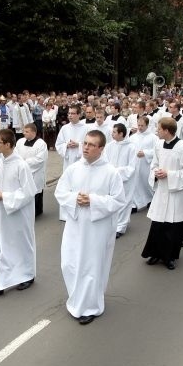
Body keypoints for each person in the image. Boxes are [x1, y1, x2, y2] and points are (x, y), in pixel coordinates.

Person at [55, 130, 126, 325]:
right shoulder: (73, 168)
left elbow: (119, 200)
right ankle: (77, 298)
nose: (85, 147)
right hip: (75, 225)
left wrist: (93, 201)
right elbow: (61, 192)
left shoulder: (111, 172)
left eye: (91, 145)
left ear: (101, 149)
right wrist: (74, 198)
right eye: (85, 143)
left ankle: (91, 306)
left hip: (97, 229)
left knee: (91, 266)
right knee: (69, 263)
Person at [0, 129, 37, 298]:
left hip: (19, 212)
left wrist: (5, 196)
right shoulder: (0, 163)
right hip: (3, 211)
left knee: (21, 243)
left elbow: (28, 191)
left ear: (8, 145)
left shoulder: (21, 165)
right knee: (1, 244)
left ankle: (27, 274)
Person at [140, 117, 183, 270]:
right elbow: (154, 164)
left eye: (158, 129)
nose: (156, 131)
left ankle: (169, 256)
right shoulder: (158, 144)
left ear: (166, 130)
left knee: (173, 226)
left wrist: (169, 174)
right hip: (162, 190)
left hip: (176, 192)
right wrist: (155, 173)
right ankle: (155, 253)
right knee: (158, 224)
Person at [102, 123, 137, 237]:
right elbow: (105, 161)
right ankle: (112, 224)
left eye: (114, 132)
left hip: (125, 180)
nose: (112, 134)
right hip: (111, 178)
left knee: (124, 202)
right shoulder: (109, 146)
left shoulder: (131, 147)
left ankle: (120, 227)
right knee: (112, 201)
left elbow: (132, 166)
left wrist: (117, 171)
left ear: (121, 134)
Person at [16, 123, 48, 217]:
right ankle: (25, 211)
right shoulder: (20, 141)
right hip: (22, 171)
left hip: (36, 172)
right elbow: (16, 154)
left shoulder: (41, 144)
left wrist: (25, 163)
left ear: (34, 132)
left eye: (27, 131)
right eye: (24, 131)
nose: (24, 133)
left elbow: (40, 159)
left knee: (36, 192)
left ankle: (37, 211)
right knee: (25, 191)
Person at [129, 115, 158, 212]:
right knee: (135, 184)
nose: (140, 127)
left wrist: (145, 153)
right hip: (135, 164)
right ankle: (135, 204)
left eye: (142, 125)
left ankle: (150, 199)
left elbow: (157, 151)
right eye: (138, 125)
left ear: (147, 125)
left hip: (146, 165)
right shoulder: (133, 137)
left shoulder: (153, 138)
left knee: (146, 183)